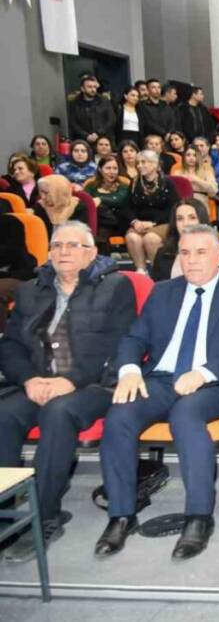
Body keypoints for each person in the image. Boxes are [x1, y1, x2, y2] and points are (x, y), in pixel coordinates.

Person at [96, 225, 219, 559]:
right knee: (120, 416)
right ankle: (121, 514)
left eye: (201, 252)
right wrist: (128, 371)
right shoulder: (164, 292)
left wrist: (202, 373)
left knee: (186, 416)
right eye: (185, 253)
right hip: (162, 379)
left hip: (217, 383)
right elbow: (134, 339)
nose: (191, 260)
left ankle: (198, 517)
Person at [0, 222, 135, 562]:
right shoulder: (30, 291)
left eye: (73, 245)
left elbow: (115, 343)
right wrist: (29, 378)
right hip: (38, 382)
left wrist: (71, 380)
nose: (63, 252)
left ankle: (44, 516)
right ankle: (6, 515)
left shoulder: (116, 286)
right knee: (3, 416)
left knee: (58, 413)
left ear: (91, 253)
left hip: (94, 385)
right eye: (57, 245)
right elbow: (11, 346)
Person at [150, 198, 209, 281]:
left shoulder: (214, 252)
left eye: (192, 218)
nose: (186, 224)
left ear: (202, 220)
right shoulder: (163, 253)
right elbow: (157, 288)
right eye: (180, 219)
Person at [68, 74, 116, 144]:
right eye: (89, 87)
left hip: (104, 140)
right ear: (82, 88)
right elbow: (73, 123)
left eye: (94, 87)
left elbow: (111, 119)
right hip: (83, 141)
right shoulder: (75, 103)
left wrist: (98, 133)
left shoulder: (104, 101)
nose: (93, 89)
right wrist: (86, 135)